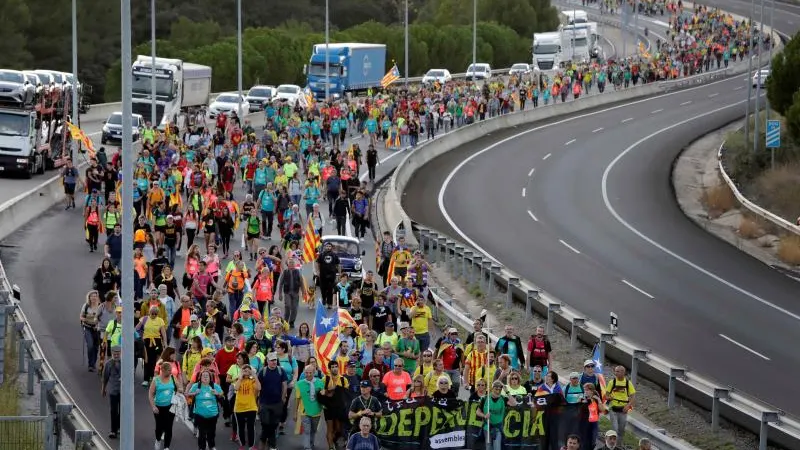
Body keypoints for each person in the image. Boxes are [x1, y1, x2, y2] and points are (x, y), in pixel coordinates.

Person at [149, 361, 183, 450]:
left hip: (170, 406)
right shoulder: (156, 380)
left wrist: (180, 389)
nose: (170, 372)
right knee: (159, 427)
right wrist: (153, 406)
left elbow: (179, 387)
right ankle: (158, 439)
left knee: (168, 427)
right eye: (168, 370)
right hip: (159, 407)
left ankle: (166, 447)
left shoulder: (173, 377)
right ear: (162, 370)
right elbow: (151, 394)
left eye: (171, 370)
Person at [257, 352, 288, 450]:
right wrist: (257, 401)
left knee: (274, 425)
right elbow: (258, 387)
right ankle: (272, 445)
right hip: (265, 403)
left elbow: (284, 385)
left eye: (275, 360)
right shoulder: (262, 371)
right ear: (267, 361)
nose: (274, 362)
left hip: (277, 403)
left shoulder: (281, 370)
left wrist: (283, 398)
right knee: (266, 424)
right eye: (272, 360)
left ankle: (265, 441)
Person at [187, 370, 224, 450]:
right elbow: (187, 394)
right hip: (200, 414)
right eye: (203, 376)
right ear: (200, 378)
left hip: (213, 414)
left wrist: (217, 393)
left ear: (210, 378)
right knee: (202, 433)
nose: (205, 377)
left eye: (207, 376)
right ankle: (201, 447)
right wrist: (194, 393)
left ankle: (212, 446)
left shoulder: (214, 386)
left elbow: (222, 394)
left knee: (211, 432)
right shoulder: (196, 386)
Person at [295, 365, 324, 450]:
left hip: (317, 411)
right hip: (304, 411)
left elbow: (323, 398)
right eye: (306, 373)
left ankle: (311, 444)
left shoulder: (320, 383)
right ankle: (307, 447)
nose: (308, 375)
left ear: (314, 372)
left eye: (310, 373)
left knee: (313, 430)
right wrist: (295, 413)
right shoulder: (299, 384)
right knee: (307, 430)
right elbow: (297, 399)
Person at [233, 364, 261, 450]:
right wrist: (240, 377)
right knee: (240, 427)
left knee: (251, 427)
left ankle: (251, 446)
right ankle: (242, 444)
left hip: (251, 407)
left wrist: (254, 375)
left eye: (249, 370)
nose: (247, 372)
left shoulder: (252, 381)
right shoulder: (238, 380)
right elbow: (236, 388)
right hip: (239, 407)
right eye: (244, 370)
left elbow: (259, 388)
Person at [100, 345, 122, 439]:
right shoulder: (108, 364)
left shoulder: (124, 363)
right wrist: (103, 388)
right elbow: (105, 377)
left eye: (118, 354)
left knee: (122, 411)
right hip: (113, 390)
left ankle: (118, 426)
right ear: (112, 353)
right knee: (113, 411)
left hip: (123, 391)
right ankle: (113, 430)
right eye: (114, 354)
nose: (116, 355)